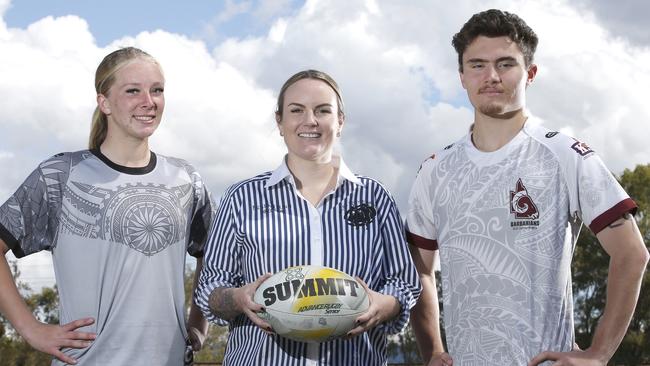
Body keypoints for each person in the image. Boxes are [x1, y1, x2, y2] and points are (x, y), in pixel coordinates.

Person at [406, 9, 649, 366]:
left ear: (530, 73)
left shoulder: (565, 155)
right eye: (477, 65)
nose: (491, 76)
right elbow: (421, 271)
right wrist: (433, 352)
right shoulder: (434, 171)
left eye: (505, 64)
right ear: (461, 76)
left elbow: (632, 254)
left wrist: (598, 354)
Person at [0, 47, 214, 365]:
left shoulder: (186, 179)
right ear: (104, 103)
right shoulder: (61, 176)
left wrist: (198, 323)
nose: (149, 101)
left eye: (157, 90)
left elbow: (212, 254)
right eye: (133, 91)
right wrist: (31, 330)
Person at [195, 69, 421, 365]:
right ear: (280, 121)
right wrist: (238, 298)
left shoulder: (375, 198)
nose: (309, 121)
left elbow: (403, 283)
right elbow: (210, 286)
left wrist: (383, 304)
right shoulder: (241, 198)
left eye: (322, 110)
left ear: (340, 121)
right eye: (296, 110)